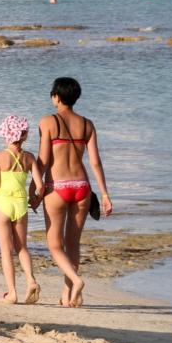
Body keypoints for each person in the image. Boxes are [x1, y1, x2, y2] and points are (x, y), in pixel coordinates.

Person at [37, 77, 112, 308]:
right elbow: (96, 163)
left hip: (57, 188)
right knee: (73, 244)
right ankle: (67, 296)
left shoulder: (48, 122)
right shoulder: (87, 124)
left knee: (54, 245)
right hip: (82, 187)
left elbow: (43, 160)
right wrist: (105, 194)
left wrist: (34, 188)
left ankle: (77, 281)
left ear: (56, 97)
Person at [0, 115, 43, 304]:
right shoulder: (29, 157)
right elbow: (40, 186)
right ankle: (31, 280)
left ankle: (12, 292)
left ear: (6, 134)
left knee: (6, 250)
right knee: (22, 247)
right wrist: (35, 200)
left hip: (3, 204)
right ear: (24, 135)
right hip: (21, 205)